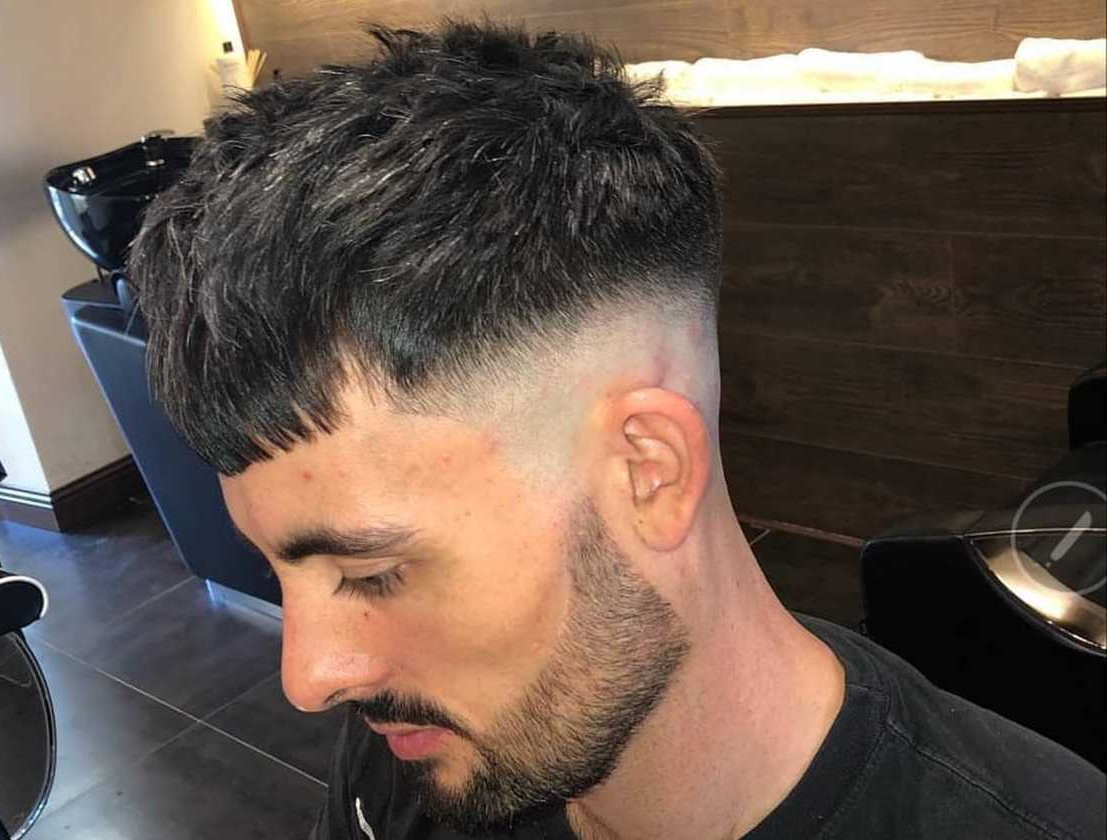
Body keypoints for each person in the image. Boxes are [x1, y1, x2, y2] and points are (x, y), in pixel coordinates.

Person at [129, 19, 1106, 840]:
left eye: (374, 572)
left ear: (646, 471)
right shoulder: (419, 748)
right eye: (278, 571)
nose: (310, 677)